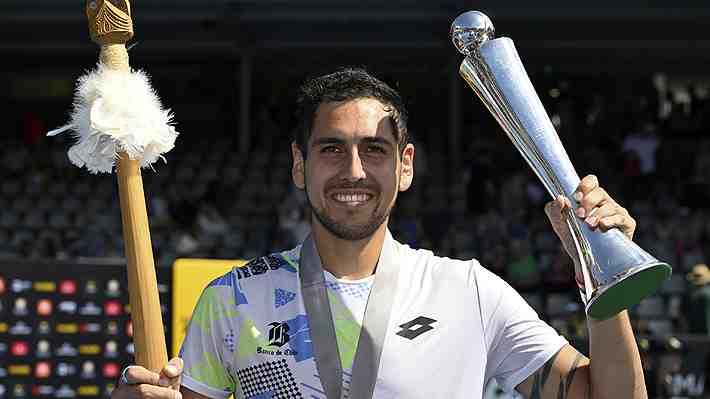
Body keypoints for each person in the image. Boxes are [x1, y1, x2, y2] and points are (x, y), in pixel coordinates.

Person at [112, 68, 646, 399]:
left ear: (405, 165)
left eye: (374, 149)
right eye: (330, 148)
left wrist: (602, 277)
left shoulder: (469, 292)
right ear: (299, 164)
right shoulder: (233, 299)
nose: (354, 170)